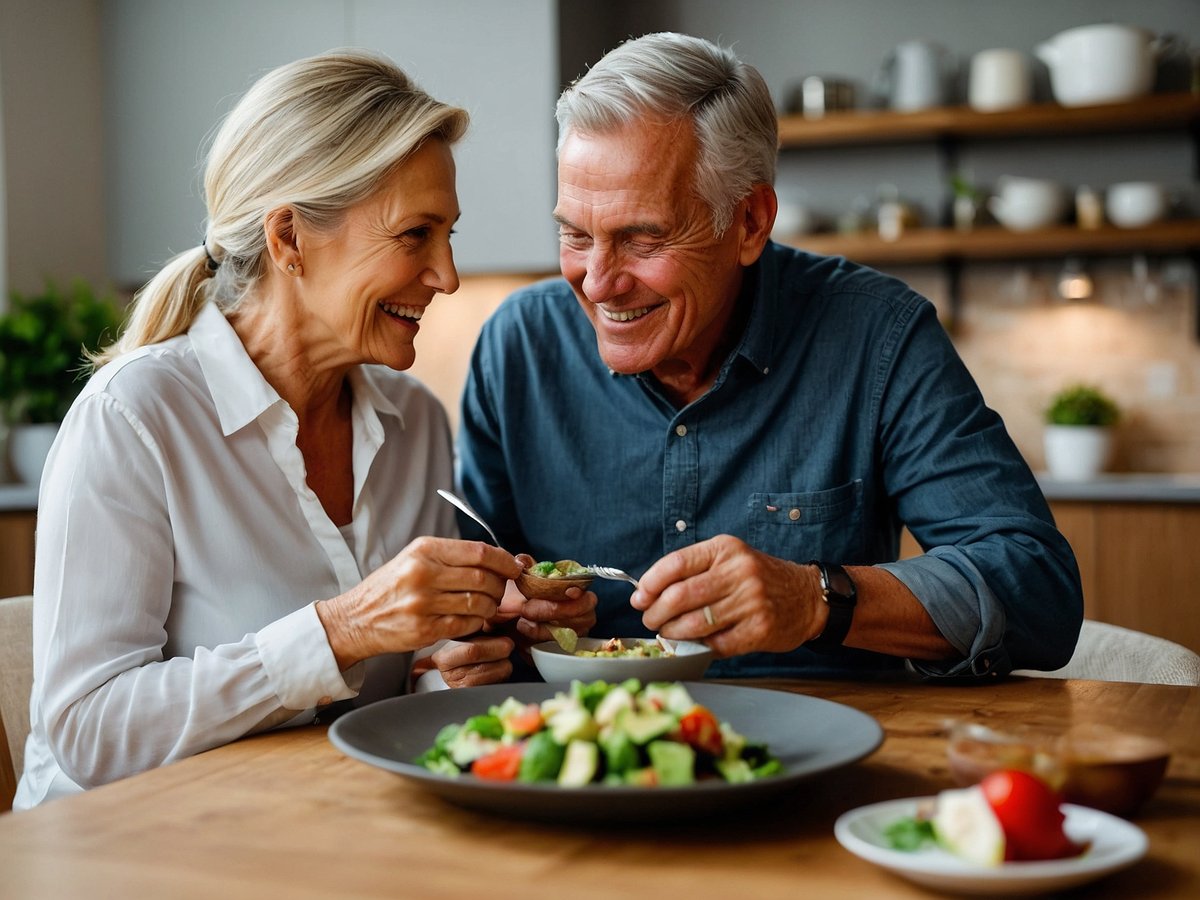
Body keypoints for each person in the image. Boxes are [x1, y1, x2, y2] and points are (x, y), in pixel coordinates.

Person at [14, 50, 592, 810]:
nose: (447, 275)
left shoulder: (414, 421)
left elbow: (387, 684)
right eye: (416, 235)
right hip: (122, 853)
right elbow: (87, 733)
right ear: (288, 238)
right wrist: (343, 629)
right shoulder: (133, 418)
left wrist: (443, 658)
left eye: (448, 234)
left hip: (306, 830)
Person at [456, 32, 1083, 682]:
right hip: (566, 772)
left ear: (750, 221)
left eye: (642, 238)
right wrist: (493, 625)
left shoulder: (878, 337)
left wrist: (816, 599)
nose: (596, 280)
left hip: (823, 758)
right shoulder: (517, 349)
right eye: (575, 234)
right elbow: (468, 609)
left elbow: (1038, 590)